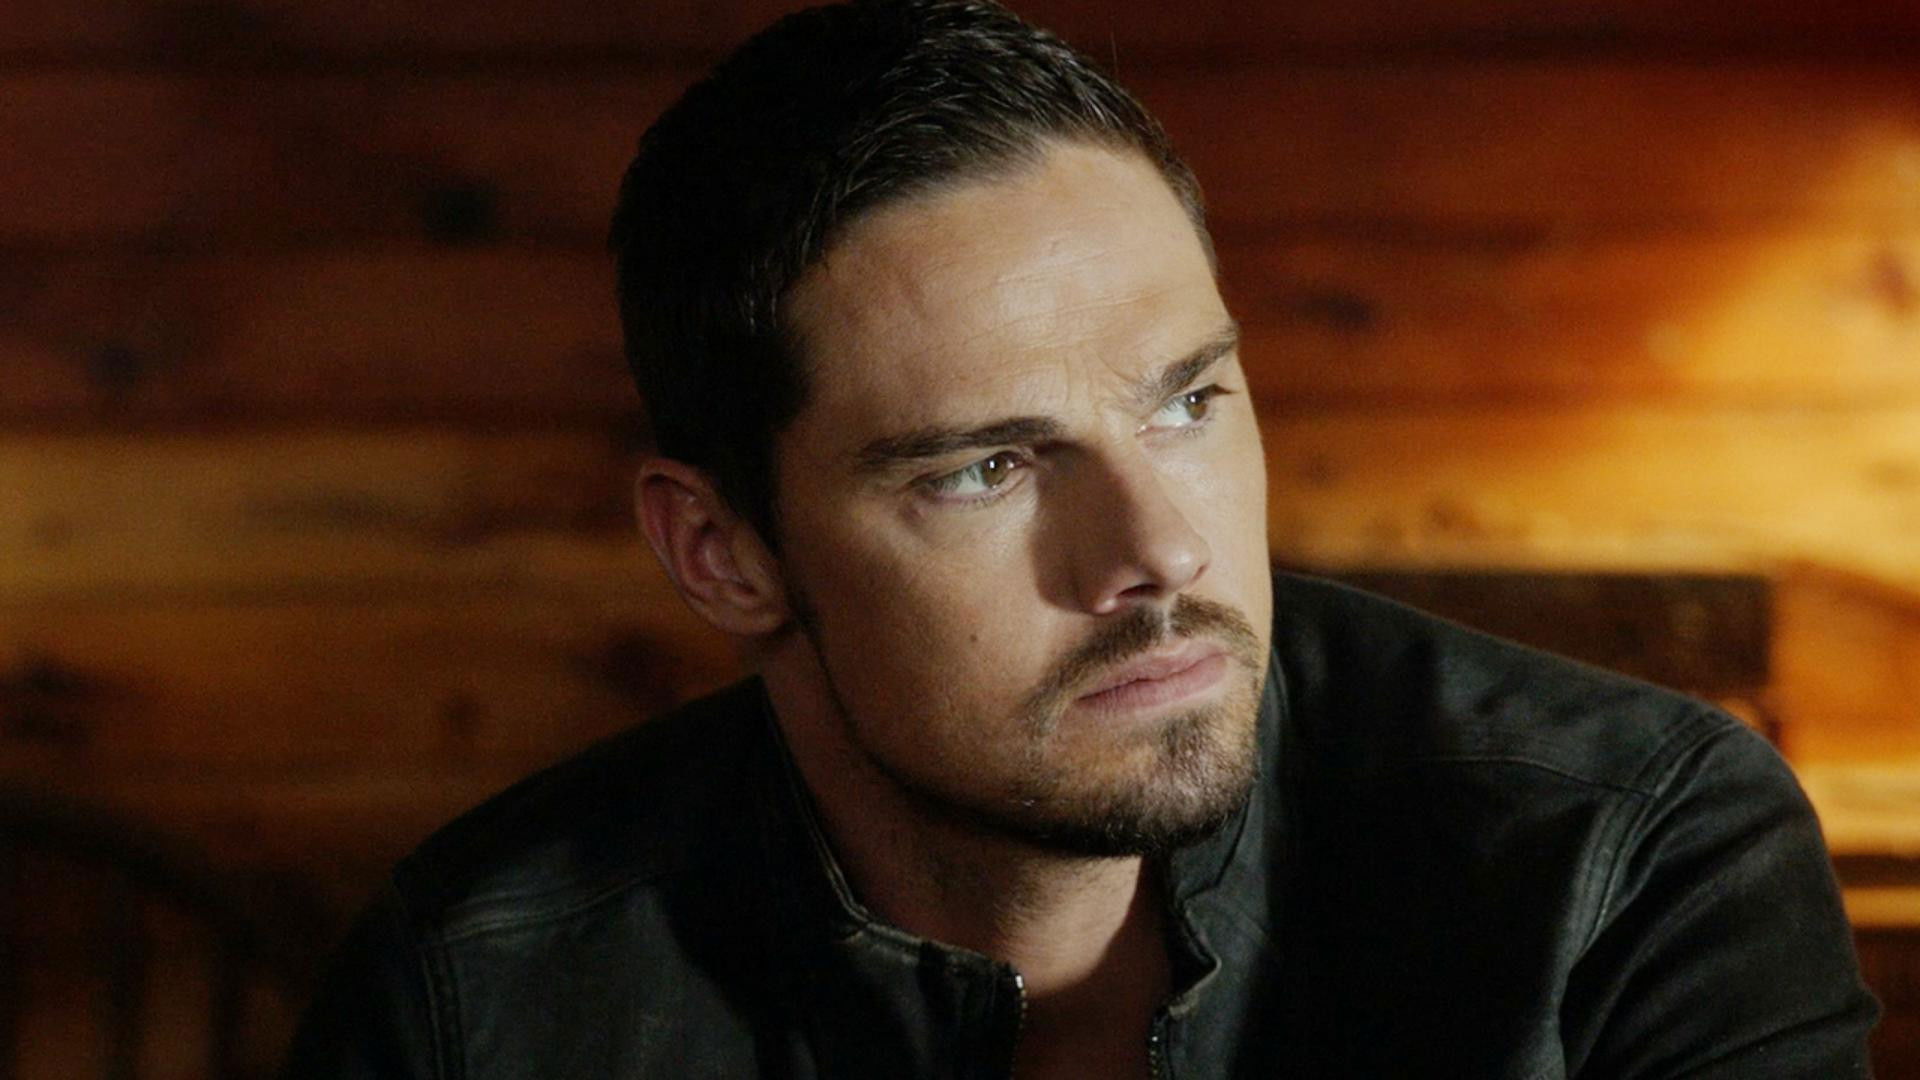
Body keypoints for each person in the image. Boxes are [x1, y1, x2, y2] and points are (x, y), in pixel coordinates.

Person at [282, 1, 1878, 1076]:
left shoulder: (1623, 861)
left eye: (1188, 402)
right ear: (722, 553)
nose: (1160, 552)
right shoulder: (484, 989)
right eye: (985, 469)